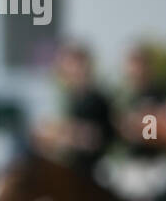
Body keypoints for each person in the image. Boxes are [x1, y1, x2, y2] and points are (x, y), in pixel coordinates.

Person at [36, 42, 116, 177]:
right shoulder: (63, 97)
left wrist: (73, 134)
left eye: (77, 64)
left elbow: (98, 138)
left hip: (91, 171)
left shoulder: (97, 100)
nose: (74, 70)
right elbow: (44, 134)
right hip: (65, 168)